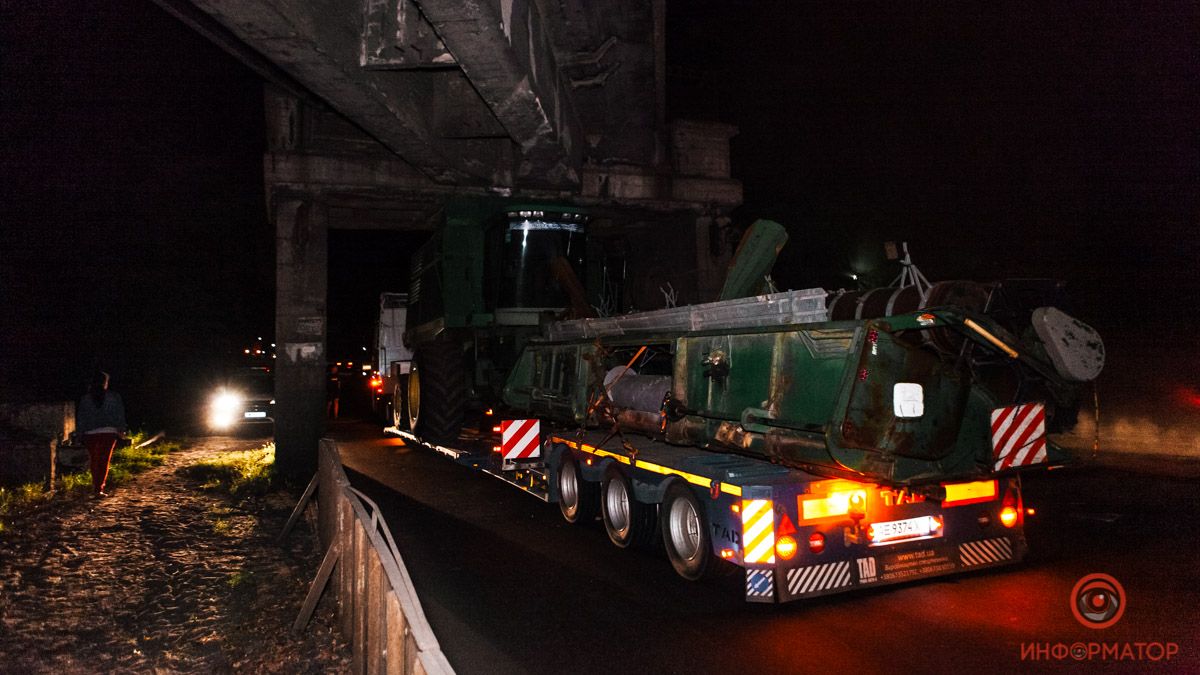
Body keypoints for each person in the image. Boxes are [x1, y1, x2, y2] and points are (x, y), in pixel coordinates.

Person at [76, 370, 127, 497]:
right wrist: (121, 429)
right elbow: (119, 414)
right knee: (104, 461)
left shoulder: (85, 398)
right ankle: (99, 489)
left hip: (90, 433)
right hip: (108, 433)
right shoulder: (114, 396)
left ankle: (95, 486)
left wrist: (79, 433)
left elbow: (81, 417)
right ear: (105, 382)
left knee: (94, 460)